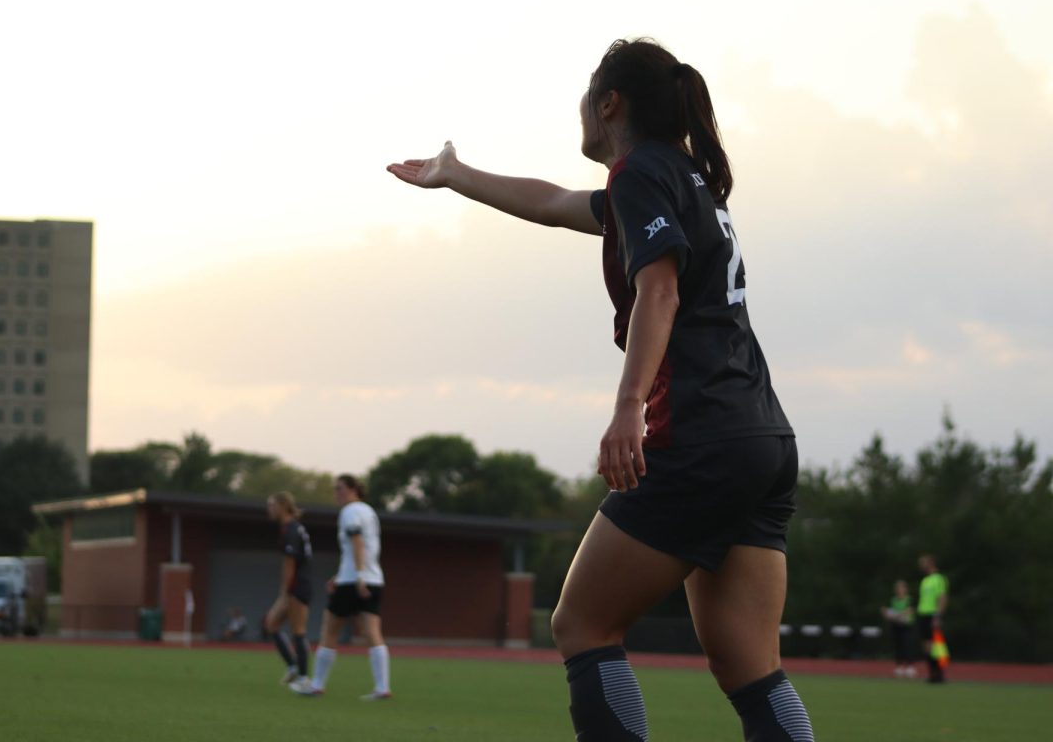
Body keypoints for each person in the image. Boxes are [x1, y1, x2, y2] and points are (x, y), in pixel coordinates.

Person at [388, 38, 812, 741]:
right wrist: (456, 175)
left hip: (699, 432)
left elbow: (660, 288)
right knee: (749, 663)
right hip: (760, 437)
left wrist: (628, 410)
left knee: (581, 623)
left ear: (609, 103)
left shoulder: (641, 172)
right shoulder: (683, 175)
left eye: (588, 95)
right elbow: (555, 203)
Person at [291, 474, 390, 700]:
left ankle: (316, 684)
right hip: (373, 578)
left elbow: (356, 543)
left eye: (340, 489)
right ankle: (382, 687)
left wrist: (357, 576)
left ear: (353, 489)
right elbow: (365, 548)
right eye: (335, 489)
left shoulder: (350, 512)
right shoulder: (368, 511)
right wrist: (341, 574)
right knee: (372, 632)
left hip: (355, 580)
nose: (336, 493)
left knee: (330, 629)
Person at [264, 491, 313, 686]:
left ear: (283, 506)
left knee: (298, 631)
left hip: (298, 586)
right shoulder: (291, 528)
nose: (269, 509)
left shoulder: (291, 529)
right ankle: (293, 667)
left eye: (272, 505)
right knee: (272, 623)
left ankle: (304, 677)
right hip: (297, 585)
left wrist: (284, 593)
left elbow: (290, 563)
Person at [916, 554, 949, 684]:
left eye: (923, 563)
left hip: (932, 614)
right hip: (923, 614)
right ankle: (932, 673)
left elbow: (942, 598)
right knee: (926, 646)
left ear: (931, 563)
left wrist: (938, 615)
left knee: (937, 646)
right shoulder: (925, 580)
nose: (921, 566)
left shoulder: (938, 579)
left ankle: (939, 674)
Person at [880, 580, 916, 677]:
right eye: (897, 588)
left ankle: (910, 666)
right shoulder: (893, 600)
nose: (899, 590)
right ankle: (899, 666)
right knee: (898, 646)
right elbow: (887, 611)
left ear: (905, 589)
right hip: (896, 626)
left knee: (907, 645)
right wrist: (887, 614)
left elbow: (910, 610)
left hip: (907, 626)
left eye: (901, 588)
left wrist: (898, 615)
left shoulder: (909, 599)